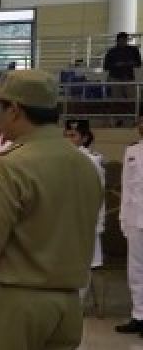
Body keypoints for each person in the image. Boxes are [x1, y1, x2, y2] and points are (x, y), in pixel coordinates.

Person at [0, 69, 101, 350]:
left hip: (14, 306)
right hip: (66, 305)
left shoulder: (9, 166)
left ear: (16, 109)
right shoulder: (83, 165)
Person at [66, 120, 105, 287]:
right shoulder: (60, 158)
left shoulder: (93, 160)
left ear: (84, 138)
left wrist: (99, 223)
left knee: (84, 267)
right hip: (64, 221)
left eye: (73, 135)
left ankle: (78, 308)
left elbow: (99, 194)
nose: (68, 139)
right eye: (66, 135)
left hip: (85, 221)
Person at [118, 114, 143, 336]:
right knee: (135, 270)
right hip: (136, 218)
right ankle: (138, 315)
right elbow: (126, 186)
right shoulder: (132, 151)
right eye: (141, 122)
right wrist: (123, 218)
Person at [103, 32, 141, 100]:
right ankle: (119, 110)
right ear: (117, 40)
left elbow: (139, 63)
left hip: (128, 77)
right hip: (115, 78)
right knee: (117, 98)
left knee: (132, 98)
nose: (123, 42)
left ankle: (131, 110)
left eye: (125, 40)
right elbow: (106, 66)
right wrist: (116, 65)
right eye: (121, 40)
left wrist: (131, 63)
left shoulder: (133, 50)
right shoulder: (111, 51)